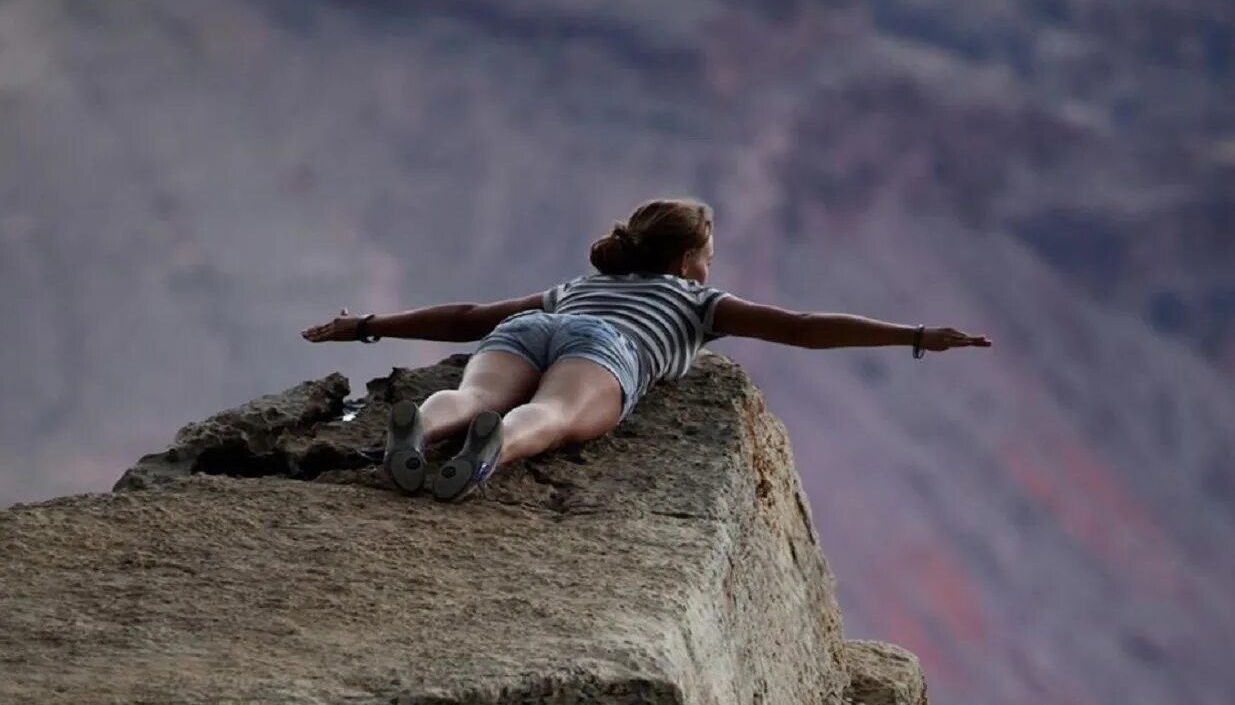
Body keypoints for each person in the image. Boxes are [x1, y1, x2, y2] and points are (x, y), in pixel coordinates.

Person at [301, 197, 991, 502]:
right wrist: (915, 336)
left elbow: (470, 316)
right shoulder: (695, 302)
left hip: (530, 330)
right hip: (606, 348)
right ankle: (494, 449)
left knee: (473, 391)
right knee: (558, 416)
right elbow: (804, 326)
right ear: (691, 259)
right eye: (708, 255)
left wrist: (369, 324)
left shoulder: (576, 283)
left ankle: (427, 425)